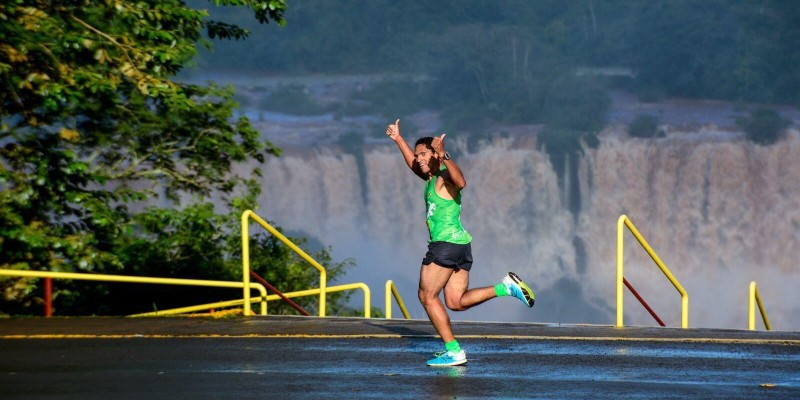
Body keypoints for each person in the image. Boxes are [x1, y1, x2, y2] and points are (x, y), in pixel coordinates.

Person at [385, 119, 535, 367]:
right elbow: (414, 166)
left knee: (427, 296)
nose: (418, 158)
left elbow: (461, 181)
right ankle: (506, 288)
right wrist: (398, 139)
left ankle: (454, 351)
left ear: (435, 155)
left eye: (423, 154)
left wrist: (444, 156)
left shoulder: (444, 177)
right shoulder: (432, 179)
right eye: (418, 154)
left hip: (444, 245)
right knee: (455, 301)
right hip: (461, 246)